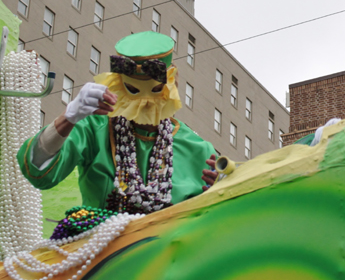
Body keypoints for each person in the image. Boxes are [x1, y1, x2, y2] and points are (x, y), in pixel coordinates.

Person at [18, 32, 217, 214]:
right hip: (102, 248)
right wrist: (68, 117)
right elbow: (38, 171)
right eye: (133, 89)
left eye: (155, 90)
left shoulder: (198, 149)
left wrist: (224, 191)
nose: (144, 103)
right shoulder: (95, 129)